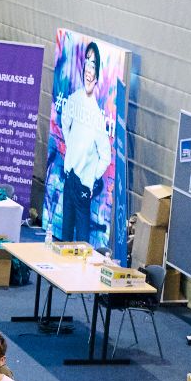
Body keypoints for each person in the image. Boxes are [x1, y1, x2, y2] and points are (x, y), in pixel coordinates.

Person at [56, 41, 110, 245]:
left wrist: (90, 177)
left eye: (93, 65)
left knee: (82, 244)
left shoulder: (97, 116)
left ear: (97, 74)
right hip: (69, 177)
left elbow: (106, 157)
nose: (89, 69)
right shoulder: (74, 100)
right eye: (87, 62)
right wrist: (71, 148)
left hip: (82, 185)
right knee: (65, 237)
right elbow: (65, 122)